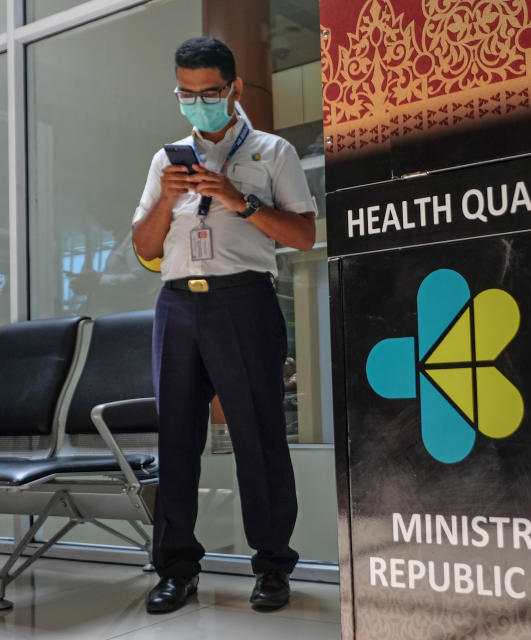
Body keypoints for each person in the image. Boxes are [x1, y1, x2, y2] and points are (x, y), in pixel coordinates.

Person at [132, 37, 317, 614]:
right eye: (186, 94)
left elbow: (305, 236)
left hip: (244, 302)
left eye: (209, 92)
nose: (197, 103)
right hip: (177, 305)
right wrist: (167, 200)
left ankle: (270, 567)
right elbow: (143, 247)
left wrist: (241, 202)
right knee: (177, 440)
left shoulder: (272, 152)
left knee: (258, 435)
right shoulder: (166, 161)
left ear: (234, 88)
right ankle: (177, 569)